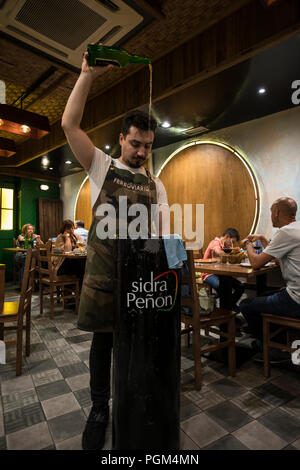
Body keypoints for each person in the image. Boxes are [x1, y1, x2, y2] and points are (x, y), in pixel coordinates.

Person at [61, 47, 169, 450]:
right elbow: (69, 124)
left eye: (147, 145)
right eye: (135, 143)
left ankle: (130, 400)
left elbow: (161, 236)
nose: (141, 152)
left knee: (137, 346)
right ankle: (99, 407)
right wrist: (87, 74)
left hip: (140, 285)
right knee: (103, 344)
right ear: (121, 139)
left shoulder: (156, 184)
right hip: (104, 278)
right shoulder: (102, 167)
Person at [239, 197, 300, 359]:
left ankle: (269, 348)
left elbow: (256, 263)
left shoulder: (285, 232)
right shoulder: (296, 229)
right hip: (295, 292)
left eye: (271, 212)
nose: (271, 215)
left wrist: (247, 245)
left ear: (277, 212)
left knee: (246, 305)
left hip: (296, 300)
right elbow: (278, 259)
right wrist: (264, 239)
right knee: (263, 296)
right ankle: (276, 338)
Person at [201, 228, 245, 311]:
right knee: (222, 286)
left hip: (221, 274)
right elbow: (219, 252)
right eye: (232, 242)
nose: (232, 244)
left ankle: (229, 309)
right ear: (227, 236)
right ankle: (228, 311)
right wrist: (232, 254)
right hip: (208, 274)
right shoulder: (216, 242)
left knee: (241, 286)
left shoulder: (224, 246)